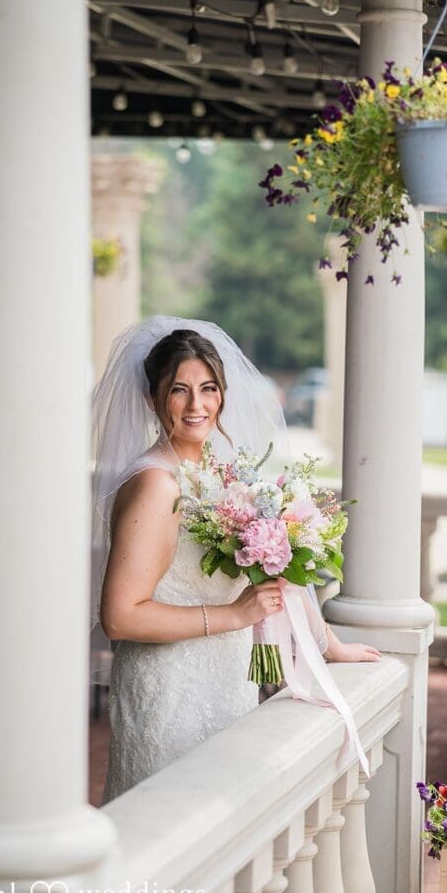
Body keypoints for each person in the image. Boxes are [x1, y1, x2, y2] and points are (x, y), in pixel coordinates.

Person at [92, 317, 380, 803]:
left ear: (223, 393)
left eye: (208, 388)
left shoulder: (219, 472)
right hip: (170, 689)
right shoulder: (155, 484)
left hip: (228, 679)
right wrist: (234, 615)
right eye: (178, 390)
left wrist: (329, 645)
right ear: (151, 398)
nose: (196, 405)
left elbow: (277, 570)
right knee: (173, 823)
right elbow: (119, 617)